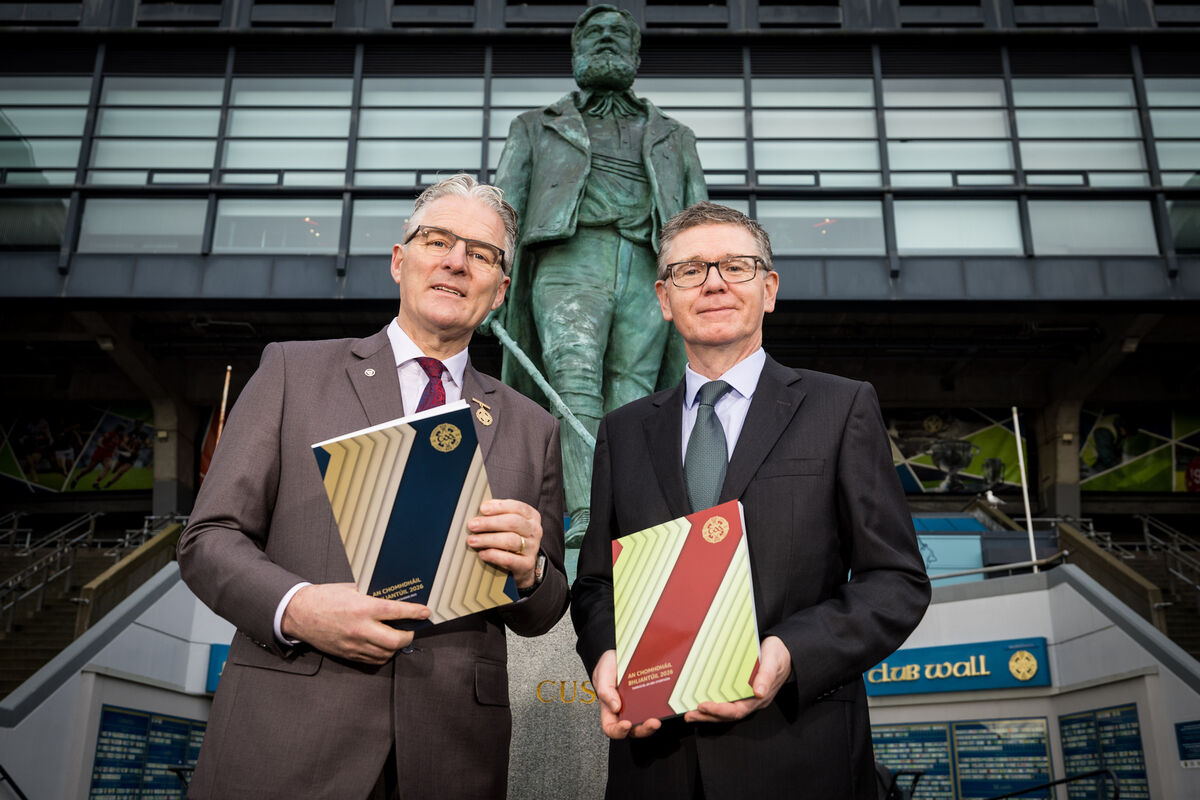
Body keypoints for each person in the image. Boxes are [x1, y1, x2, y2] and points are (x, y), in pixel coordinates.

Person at [177, 174, 569, 800]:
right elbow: (209, 538)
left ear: (500, 289)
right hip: (288, 740)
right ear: (399, 260)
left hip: (453, 757)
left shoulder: (533, 427)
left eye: (482, 253)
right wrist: (298, 608)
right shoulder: (291, 372)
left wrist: (531, 572)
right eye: (437, 239)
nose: (455, 262)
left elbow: (545, 610)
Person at [571, 202, 931, 799]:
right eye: (689, 271)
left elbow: (894, 580)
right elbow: (595, 584)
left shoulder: (840, 409)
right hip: (655, 763)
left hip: (799, 754)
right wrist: (607, 654)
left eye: (735, 266)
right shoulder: (623, 431)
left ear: (768, 290)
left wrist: (789, 653)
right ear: (664, 299)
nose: (713, 282)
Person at [494, 3, 707, 543]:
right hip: (569, 258)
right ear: (576, 52)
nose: (607, 40)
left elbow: (699, 216)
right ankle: (587, 512)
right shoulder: (535, 126)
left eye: (619, 34)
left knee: (635, 392)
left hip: (648, 264)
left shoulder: (674, 135)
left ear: (636, 55)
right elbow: (504, 209)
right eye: (595, 33)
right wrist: (489, 278)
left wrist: (707, 276)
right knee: (574, 378)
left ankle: (628, 513)